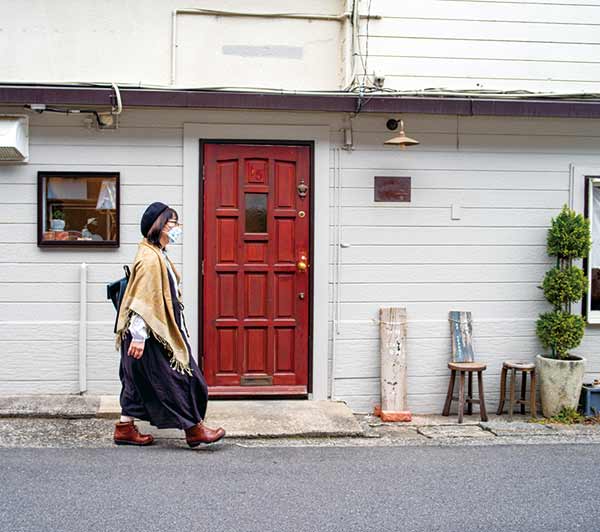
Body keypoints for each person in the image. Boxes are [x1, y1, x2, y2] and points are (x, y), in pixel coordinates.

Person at [113, 201, 225, 447]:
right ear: (160, 226)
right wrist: (140, 337)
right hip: (150, 333)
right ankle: (194, 430)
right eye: (173, 223)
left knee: (135, 379)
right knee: (182, 377)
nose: (177, 227)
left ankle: (124, 429)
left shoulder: (156, 253)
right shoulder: (151, 259)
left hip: (152, 330)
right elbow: (143, 300)